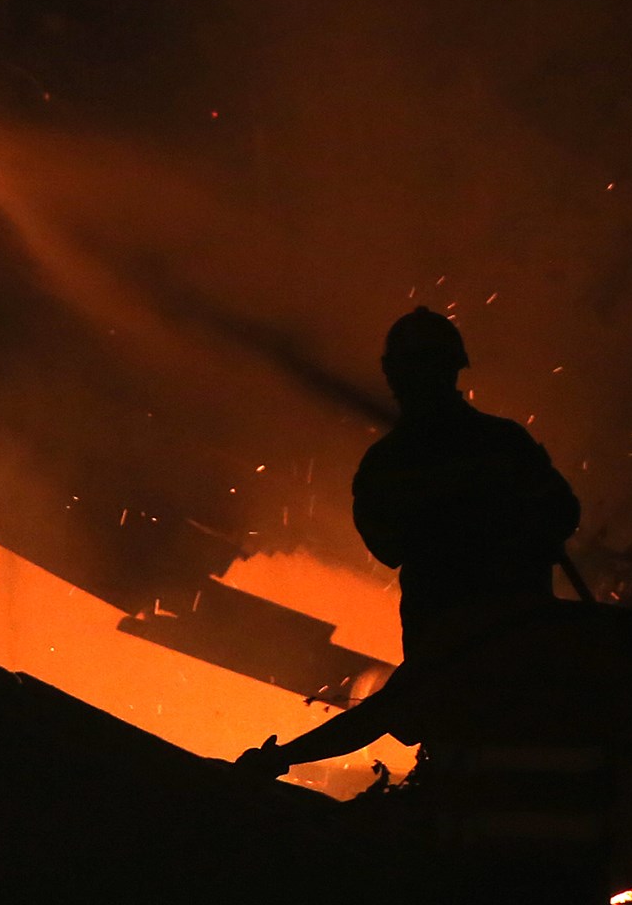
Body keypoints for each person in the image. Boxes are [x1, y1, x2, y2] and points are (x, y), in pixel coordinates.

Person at [238, 307, 580, 777]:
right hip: (531, 667)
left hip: (468, 667)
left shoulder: (389, 467)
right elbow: (563, 517)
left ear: (393, 376)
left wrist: (280, 759)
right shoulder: (504, 444)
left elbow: (387, 548)